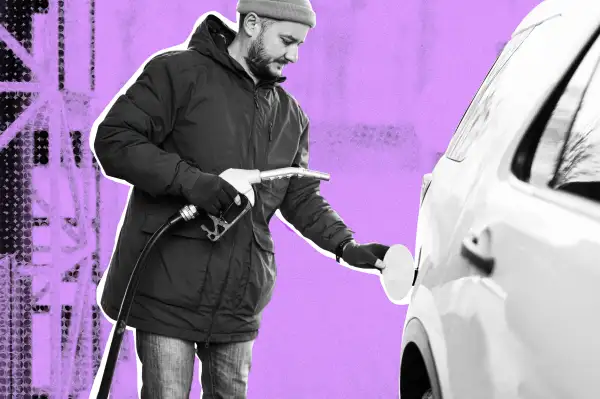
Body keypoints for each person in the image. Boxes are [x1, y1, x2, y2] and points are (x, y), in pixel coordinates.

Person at [93, 0, 390, 397]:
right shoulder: (177, 73)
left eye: (300, 44)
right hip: (167, 292)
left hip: (237, 304)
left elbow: (298, 195)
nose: (295, 55)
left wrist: (346, 244)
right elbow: (114, 139)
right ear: (251, 24)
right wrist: (195, 183)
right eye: (287, 41)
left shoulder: (290, 115)